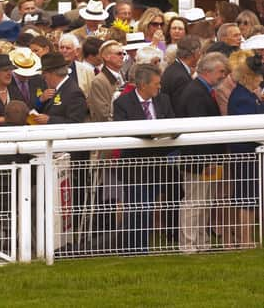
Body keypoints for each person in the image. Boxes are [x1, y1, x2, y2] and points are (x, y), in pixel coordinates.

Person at [113, 64, 174, 252]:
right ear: (143, 85)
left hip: (157, 165)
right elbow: (124, 132)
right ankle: (135, 248)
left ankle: (141, 246)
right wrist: (152, 136)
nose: (159, 87)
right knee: (140, 208)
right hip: (134, 166)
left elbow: (173, 123)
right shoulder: (122, 103)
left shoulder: (163, 100)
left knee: (148, 207)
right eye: (156, 84)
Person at [176, 52, 229, 253]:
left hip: (208, 159)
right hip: (199, 160)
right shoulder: (195, 92)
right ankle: (188, 245)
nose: (223, 76)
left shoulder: (202, 90)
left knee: (205, 203)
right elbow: (199, 128)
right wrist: (207, 160)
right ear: (207, 71)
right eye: (220, 72)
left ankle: (201, 241)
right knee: (194, 203)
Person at [227, 52, 264, 247]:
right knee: (246, 199)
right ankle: (245, 240)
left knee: (252, 198)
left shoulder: (250, 95)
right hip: (246, 154)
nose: (261, 80)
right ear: (249, 77)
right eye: (259, 77)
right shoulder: (242, 97)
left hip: (253, 154)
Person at [34, 52, 87, 124]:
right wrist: (40, 101)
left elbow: (76, 122)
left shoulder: (74, 93)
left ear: (52, 73)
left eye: (44, 74)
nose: (44, 78)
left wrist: (49, 120)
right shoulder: (57, 89)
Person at [161, 35, 201, 112]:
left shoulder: (172, 68)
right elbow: (181, 107)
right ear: (195, 54)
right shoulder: (181, 78)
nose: (200, 55)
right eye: (199, 52)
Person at [87, 40, 125, 122]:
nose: (122, 56)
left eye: (123, 54)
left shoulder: (123, 76)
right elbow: (102, 114)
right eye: (119, 54)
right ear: (106, 57)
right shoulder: (98, 81)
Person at [58, 33, 94, 98]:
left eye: (68, 48)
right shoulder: (50, 69)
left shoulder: (87, 70)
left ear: (76, 51)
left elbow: (92, 95)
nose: (64, 51)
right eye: (62, 47)